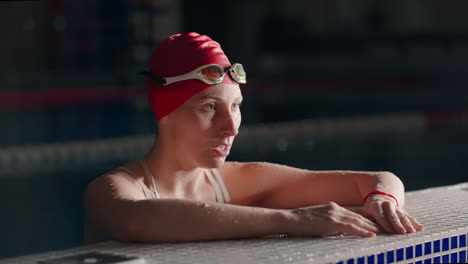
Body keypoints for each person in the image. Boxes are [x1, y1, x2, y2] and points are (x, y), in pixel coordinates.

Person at [83, 32, 423, 243]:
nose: (231, 127)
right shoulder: (115, 188)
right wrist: (291, 220)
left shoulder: (239, 180)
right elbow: (135, 220)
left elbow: (378, 180)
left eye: (236, 106)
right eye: (210, 108)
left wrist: (381, 200)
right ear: (165, 113)